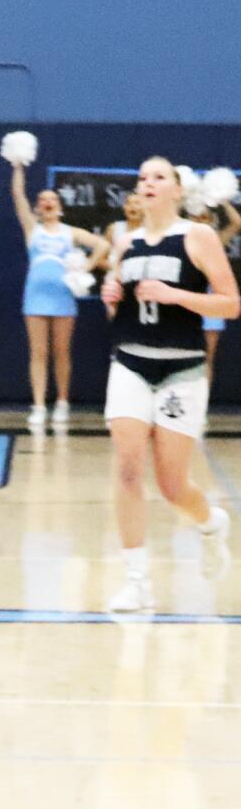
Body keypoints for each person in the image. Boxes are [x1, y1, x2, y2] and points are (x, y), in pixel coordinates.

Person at [101, 157, 239, 612]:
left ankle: (211, 523)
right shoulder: (125, 242)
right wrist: (111, 296)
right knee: (126, 465)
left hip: (181, 370)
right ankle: (137, 580)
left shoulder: (196, 237)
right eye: (142, 176)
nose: (148, 183)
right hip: (130, 363)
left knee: (172, 484)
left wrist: (175, 294)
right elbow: (117, 307)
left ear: (178, 189)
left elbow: (231, 304)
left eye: (158, 176)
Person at [10, 163, 110, 425]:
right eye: (43, 200)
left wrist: (86, 266)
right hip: (35, 296)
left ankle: (63, 402)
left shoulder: (70, 233)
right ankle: (39, 406)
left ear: (60, 206)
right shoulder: (33, 230)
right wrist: (18, 167)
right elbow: (18, 196)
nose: (48, 202)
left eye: (52, 199)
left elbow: (102, 244)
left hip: (63, 296)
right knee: (38, 352)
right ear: (38, 208)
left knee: (62, 351)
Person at [186, 199, 241, 380]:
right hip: (184, 301)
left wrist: (223, 200)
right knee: (182, 355)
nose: (200, 221)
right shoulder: (179, 240)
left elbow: (237, 223)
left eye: (205, 217)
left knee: (206, 357)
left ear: (211, 221)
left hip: (211, 302)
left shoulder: (215, 241)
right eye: (195, 217)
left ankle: (201, 406)